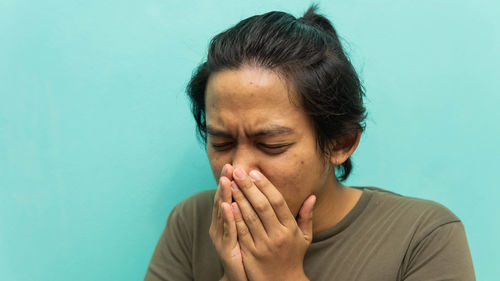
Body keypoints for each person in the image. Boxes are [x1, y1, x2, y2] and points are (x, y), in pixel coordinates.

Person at [144, 4, 475, 281]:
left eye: (271, 144)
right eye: (221, 141)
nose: (238, 169)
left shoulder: (423, 236)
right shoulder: (193, 222)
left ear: (341, 143)